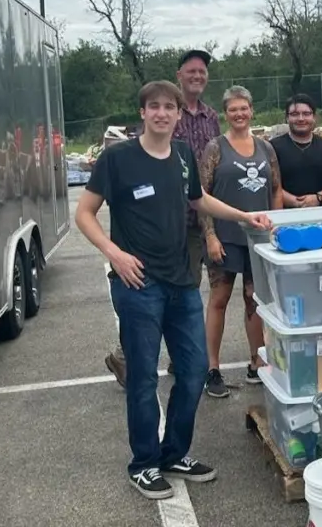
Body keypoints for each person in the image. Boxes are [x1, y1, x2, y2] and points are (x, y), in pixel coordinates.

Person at [75, 80, 271, 499]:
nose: (162, 113)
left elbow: (199, 201)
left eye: (170, 107)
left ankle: (174, 453)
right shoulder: (117, 158)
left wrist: (244, 216)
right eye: (154, 106)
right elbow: (85, 213)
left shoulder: (182, 155)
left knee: (195, 369)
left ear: (179, 115)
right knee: (143, 377)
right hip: (137, 283)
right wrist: (114, 254)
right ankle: (143, 464)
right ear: (143, 113)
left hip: (181, 281)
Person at [104, 49, 221, 388]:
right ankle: (128, 356)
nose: (197, 76)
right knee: (153, 294)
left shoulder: (211, 117)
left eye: (202, 71)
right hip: (160, 220)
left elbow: (206, 175)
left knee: (186, 292)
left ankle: (180, 358)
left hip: (196, 219)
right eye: (191, 71)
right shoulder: (163, 111)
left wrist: (219, 223)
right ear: (179, 75)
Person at [198, 85, 283, 398]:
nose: (239, 114)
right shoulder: (215, 148)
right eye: (233, 109)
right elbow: (200, 195)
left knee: (254, 299)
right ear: (225, 113)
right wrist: (210, 235)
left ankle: (256, 361)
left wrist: (277, 225)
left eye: (243, 108)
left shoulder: (265, 148)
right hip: (225, 237)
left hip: (258, 239)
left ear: (251, 110)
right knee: (219, 299)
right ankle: (212, 368)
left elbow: (276, 188)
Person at [269, 94, 322, 208]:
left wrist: (318, 198)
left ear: (314, 117)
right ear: (287, 118)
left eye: (306, 114)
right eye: (295, 114)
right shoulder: (272, 148)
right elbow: (269, 184)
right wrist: (293, 201)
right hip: (287, 214)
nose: (301, 119)